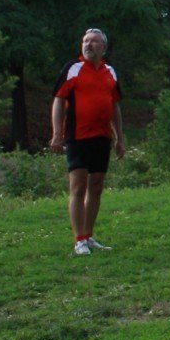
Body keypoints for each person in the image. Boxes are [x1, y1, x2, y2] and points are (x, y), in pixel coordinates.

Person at [49, 27, 125, 256]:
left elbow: (115, 106)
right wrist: (56, 134)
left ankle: (89, 236)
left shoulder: (110, 72)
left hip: (102, 137)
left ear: (104, 47)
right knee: (78, 185)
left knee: (97, 186)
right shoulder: (73, 69)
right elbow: (59, 101)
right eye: (85, 41)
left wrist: (120, 138)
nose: (88, 45)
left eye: (94, 41)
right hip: (77, 136)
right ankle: (79, 239)